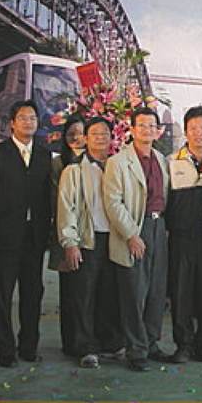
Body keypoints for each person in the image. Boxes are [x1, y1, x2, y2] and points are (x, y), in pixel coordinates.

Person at [0, 100, 52, 367]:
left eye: (32, 118)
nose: (28, 122)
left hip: (34, 237)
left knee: (33, 293)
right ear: (12, 123)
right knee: (3, 294)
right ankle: (4, 350)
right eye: (23, 118)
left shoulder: (44, 155)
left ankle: (29, 346)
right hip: (4, 236)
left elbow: (47, 197)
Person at [103, 107, 171, 372]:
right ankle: (136, 349)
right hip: (134, 229)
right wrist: (131, 234)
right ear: (131, 129)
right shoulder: (118, 162)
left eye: (152, 125)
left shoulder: (161, 159)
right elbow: (113, 202)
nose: (147, 130)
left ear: (158, 131)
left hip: (159, 227)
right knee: (134, 292)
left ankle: (151, 343)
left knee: (156, 290)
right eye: (141, 125)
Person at [57, 117, 124, 368]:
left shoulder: (118, 167)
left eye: (105, 133)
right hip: (87, 239)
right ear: (85, 138)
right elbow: (66, 208)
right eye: (94, 133)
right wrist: (70, 242)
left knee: (109, 293)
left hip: (114, 239)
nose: (100, 138)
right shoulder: (73, 171)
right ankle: (85, 347)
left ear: (112, 138)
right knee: (84, 295)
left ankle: (110, 343)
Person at [166, 106, 202, 364]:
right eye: (193, 128)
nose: (199, 133)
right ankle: (183, 345)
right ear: (186, 131)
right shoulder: (172, 161)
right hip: (181, 238)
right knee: (181, 294)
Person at [48, 114, 85, 357]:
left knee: (88, 290)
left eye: (80, 133)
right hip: (66, 233)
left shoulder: (99, 160)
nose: (76, 137)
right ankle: (70, 342)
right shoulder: (58, 164)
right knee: (69, 290)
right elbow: (56, 202)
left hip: (92, 235)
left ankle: (88, 339)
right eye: (71, 133)